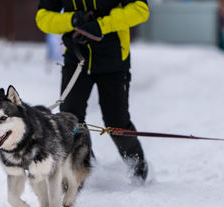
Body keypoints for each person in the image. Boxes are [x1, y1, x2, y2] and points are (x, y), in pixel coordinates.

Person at [35, 0, 150, 181]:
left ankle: (138, 171)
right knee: (70, 119)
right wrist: (72, 19)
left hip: (114, 59)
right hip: (77, 58)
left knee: (116, 122)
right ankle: (85, 170)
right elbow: (43, 19)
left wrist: (102, 25)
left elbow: (140, 10)